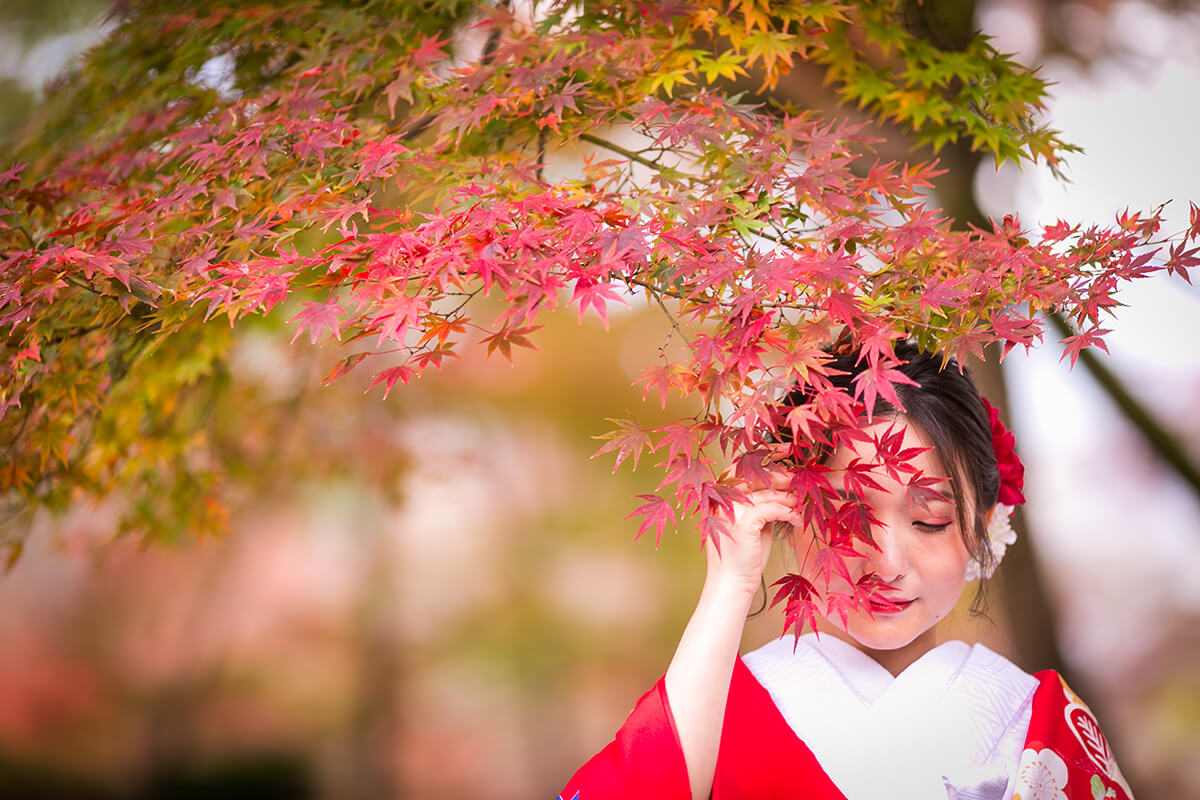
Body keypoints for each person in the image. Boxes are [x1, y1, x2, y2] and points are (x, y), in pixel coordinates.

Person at [558, 342, 1134, 800]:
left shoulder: (1035, 717)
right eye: (847, 515)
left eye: (930, 520)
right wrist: (727, 586)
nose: (885, 563)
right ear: (788, 507)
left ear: (983, 524)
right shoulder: (717, 707)